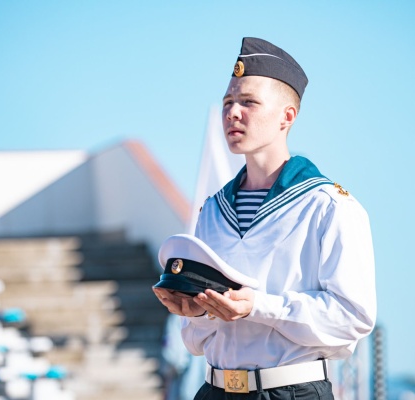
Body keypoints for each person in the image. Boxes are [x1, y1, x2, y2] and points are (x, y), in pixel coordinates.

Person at [153, 37, 376, 400]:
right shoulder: (213, 210)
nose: (232, 113)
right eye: (228, 102)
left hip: (291, 393)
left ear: (287, 117)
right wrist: (196, 311)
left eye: (248, 102)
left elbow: (353, 317)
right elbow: (194, 343)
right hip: (214, 390)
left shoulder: (329, 206)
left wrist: (258, 306)